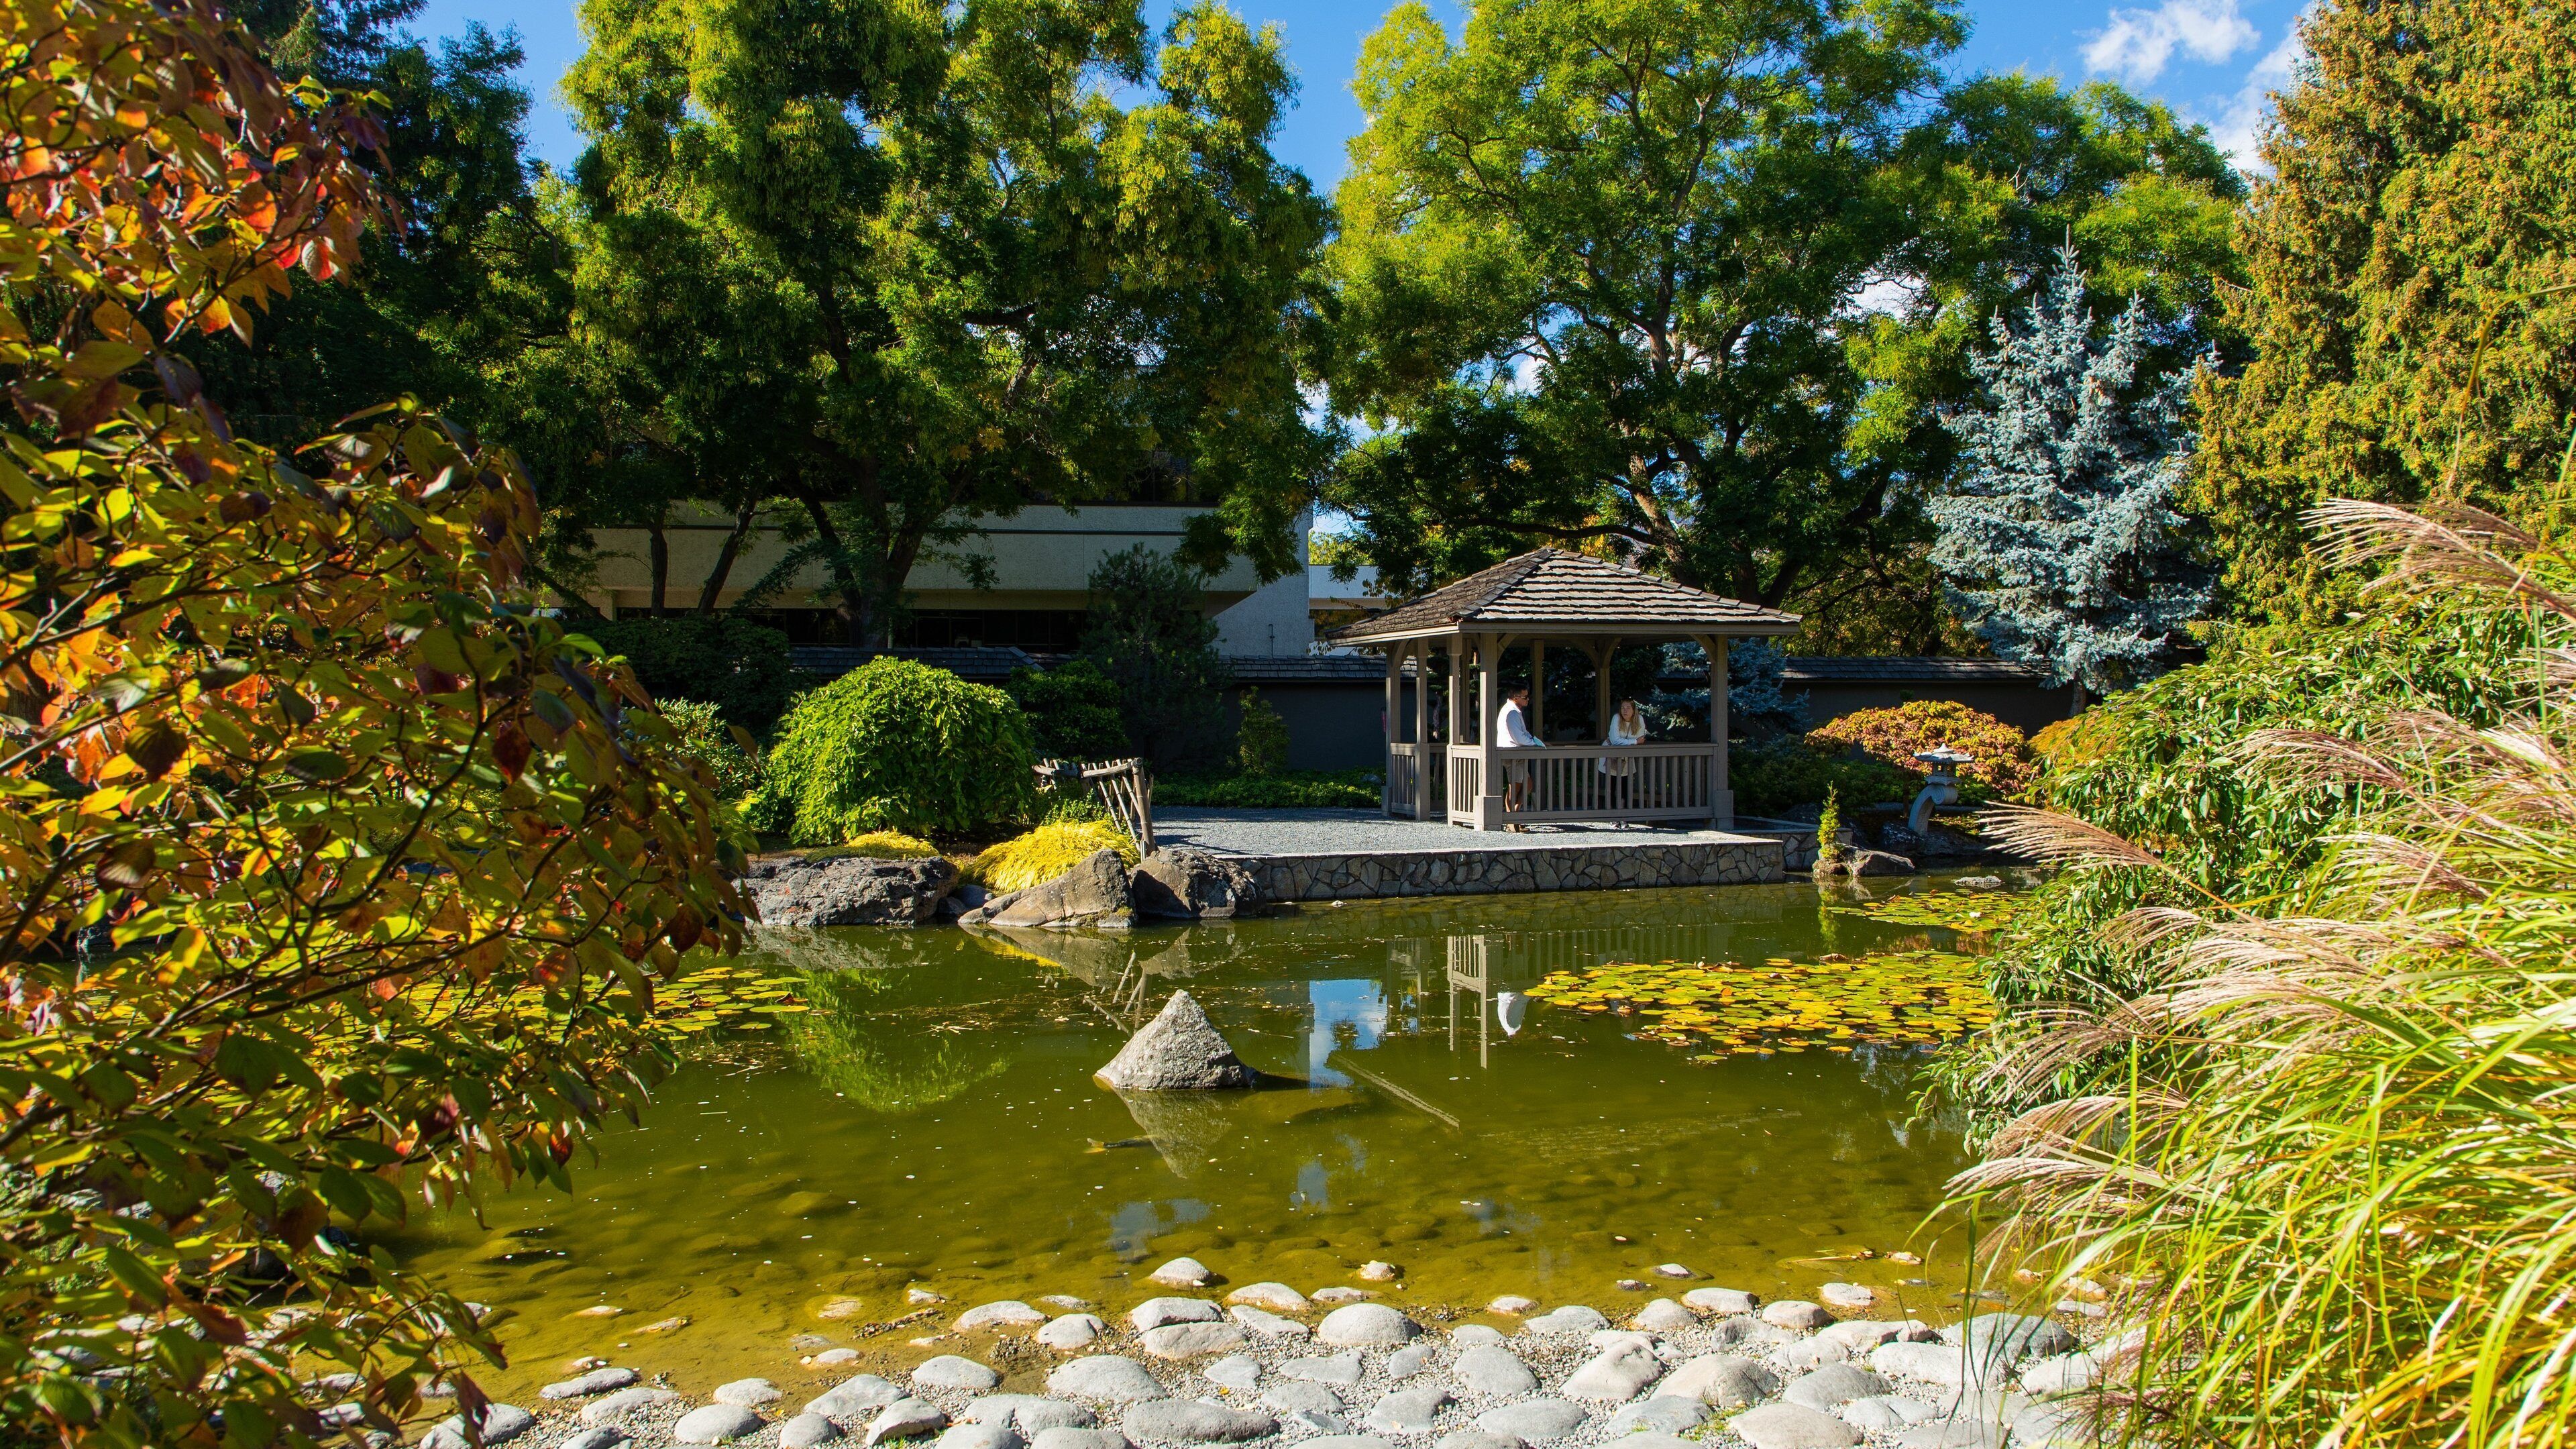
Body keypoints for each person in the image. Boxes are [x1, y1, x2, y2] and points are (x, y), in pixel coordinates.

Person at [1494, 682, 1545, 827]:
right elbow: (1518, 737)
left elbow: (1522, 734)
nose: (1527, 699)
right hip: (1512, 754)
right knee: (1514, 787)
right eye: (1525, 697)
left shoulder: (1514, 711)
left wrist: (1534, 741)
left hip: (1516, 753)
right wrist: (1535, 744)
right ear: (1515, 697)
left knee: (1527, 784)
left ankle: (1515, 813)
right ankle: (1511, 821)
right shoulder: (1511, 712)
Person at [1599, 697, 1648, 809]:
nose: (1625, 710)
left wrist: (1629, 742)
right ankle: (1612, 816)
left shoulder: (1639, 719)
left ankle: (1623, 815)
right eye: (1623, 708)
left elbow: (1641, 738)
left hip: (1627, 756)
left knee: (1625, 786)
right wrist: (1634, 741)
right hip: (1612, 754)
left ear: (1634, 710)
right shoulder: (1616, 718)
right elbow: (1615, 741)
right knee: (1611, 786)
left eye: (1628, 708)